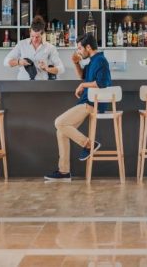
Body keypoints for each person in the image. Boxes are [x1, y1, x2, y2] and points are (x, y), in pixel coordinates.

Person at [45, 33, 112, 181]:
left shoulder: (101, 60)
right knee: (61, 132)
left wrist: (83, 85)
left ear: (88, 47)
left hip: (93, 103)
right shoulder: (93, 61)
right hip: (87, 102)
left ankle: (88, 144)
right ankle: (64, 172)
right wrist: (76, 63)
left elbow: (103, 83)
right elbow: (82, 76)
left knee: (59, 122)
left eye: (80, 48)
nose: (79, 51)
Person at [3, 15, 65, 80]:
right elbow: (6, 62)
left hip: (41, 83)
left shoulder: (50, 48)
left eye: (37, 37)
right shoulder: (21, 44)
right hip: (23, 82)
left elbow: (61, 69)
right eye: (32, 36)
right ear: (30, 32)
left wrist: (47, 68)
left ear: (43, 34)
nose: (34, 39)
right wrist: (19, 62)